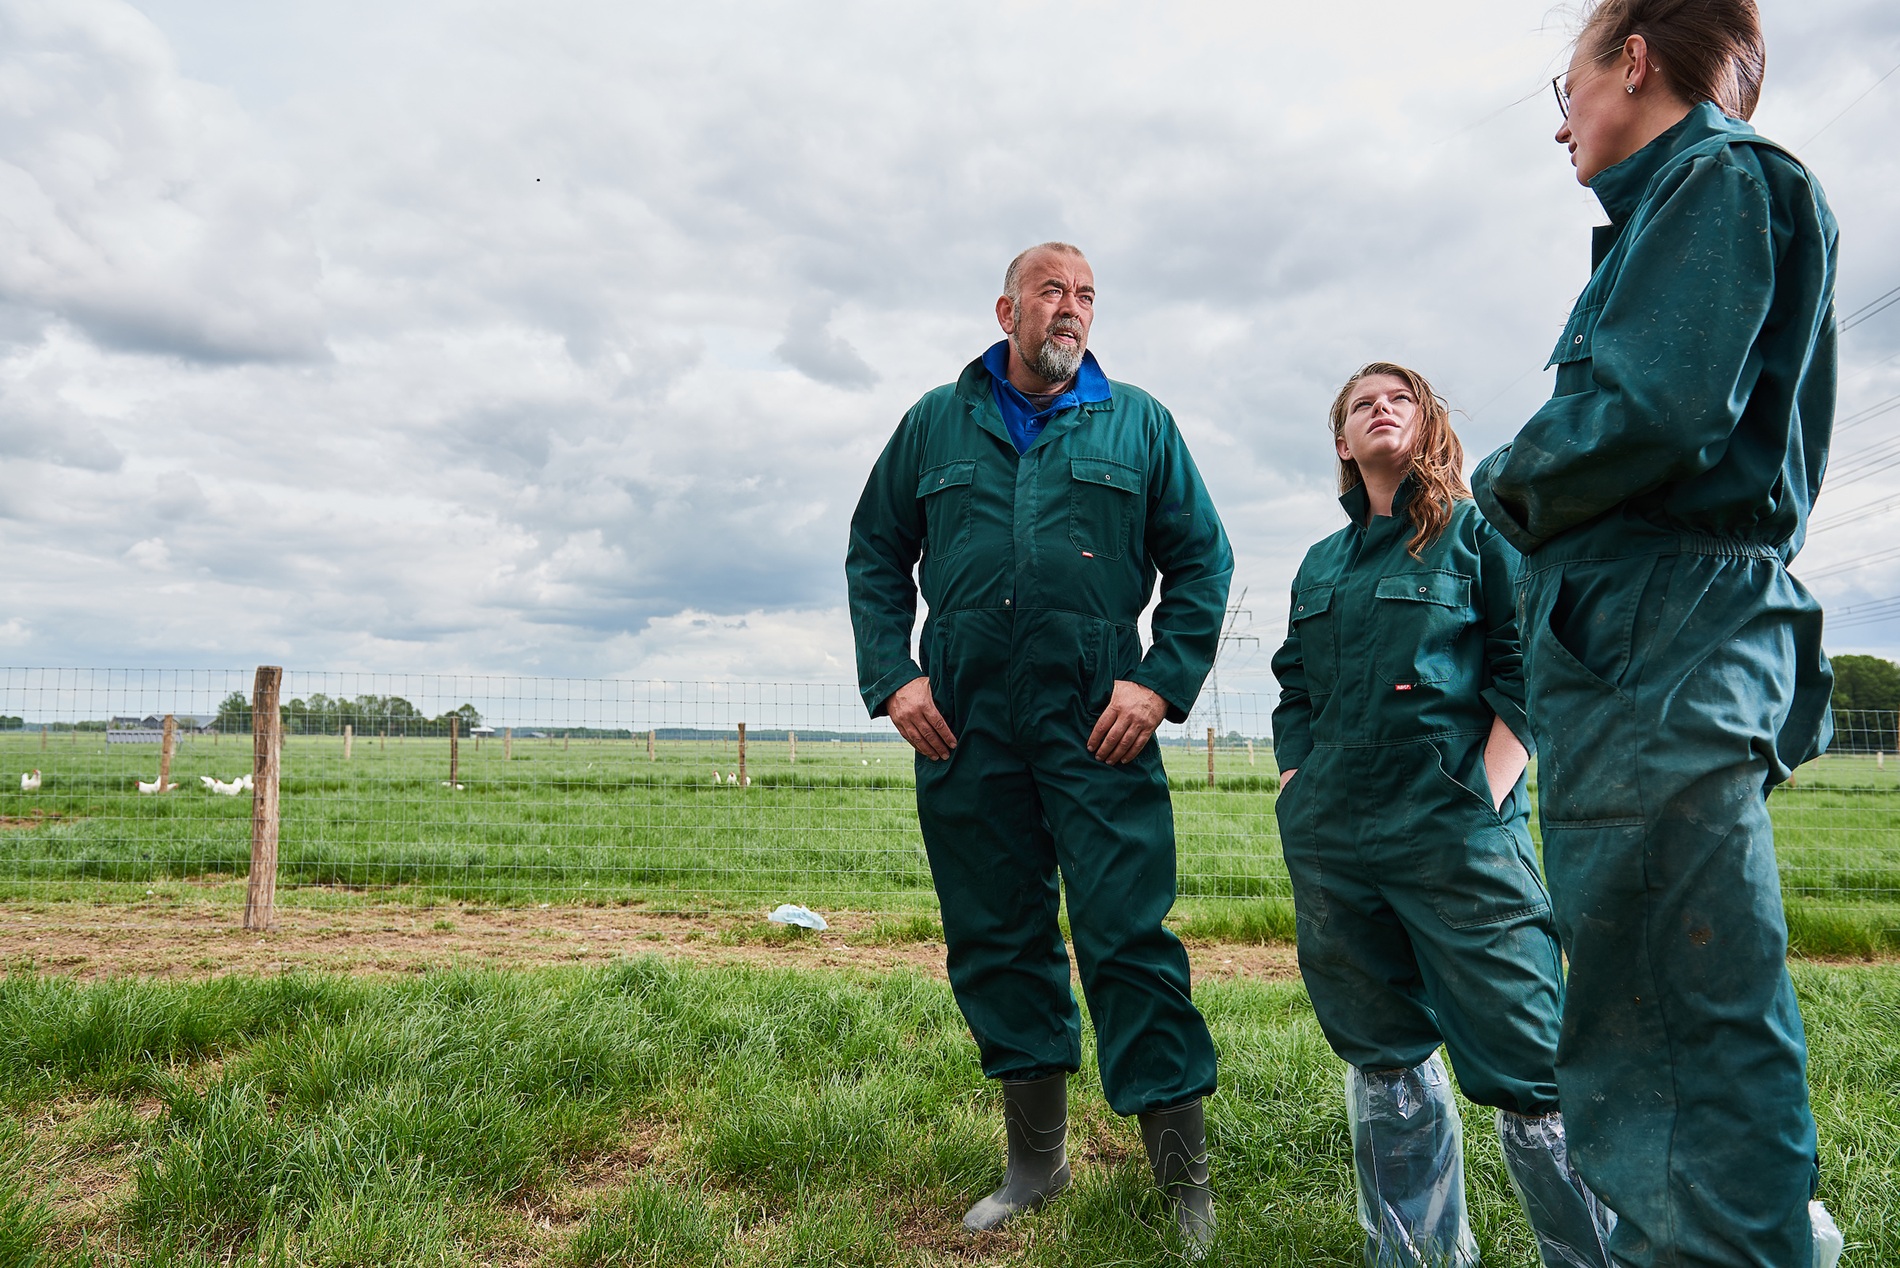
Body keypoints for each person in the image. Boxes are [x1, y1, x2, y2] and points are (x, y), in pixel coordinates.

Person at [1469, 3, 1845, 1265]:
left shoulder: (1718, 178)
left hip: (1661, 644)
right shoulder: (1678, 207)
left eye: (1564, 81)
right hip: (1646, 650)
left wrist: (1501, 481)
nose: (1560, 117)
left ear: (1632, 58)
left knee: (1677, 1020)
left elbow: (1651, 410)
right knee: (1647, 1000)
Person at [846, 242, 1230, 1250]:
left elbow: (1201, 557)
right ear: (1007, 306)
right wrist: (893, 675)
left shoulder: (1137, 421)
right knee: (995, 929)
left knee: (1125, 932)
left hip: (1096, 716)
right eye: (1053, 292)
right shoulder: (938, 419)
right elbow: (875, 550)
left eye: (1087, 296)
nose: (1071, 309)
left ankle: (1183, 1179)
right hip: (965, 718)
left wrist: (1158, 682)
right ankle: (1034, 1164)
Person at [1272, 363, 1614, 1268]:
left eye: (1401, 398)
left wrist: (1485, 794)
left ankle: (1599, 1257)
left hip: (1458, 841)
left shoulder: (1479, 535)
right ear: (1343, 444)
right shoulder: (1320, 564)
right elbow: (1293, 688)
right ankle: (1416, 1257)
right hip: (1336, 848)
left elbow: (1529, 671)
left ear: (1428, 427)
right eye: (1360, 404)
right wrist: (1294, 782)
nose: (1381, 408)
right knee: (1382, 1056)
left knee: (1529, 1061)